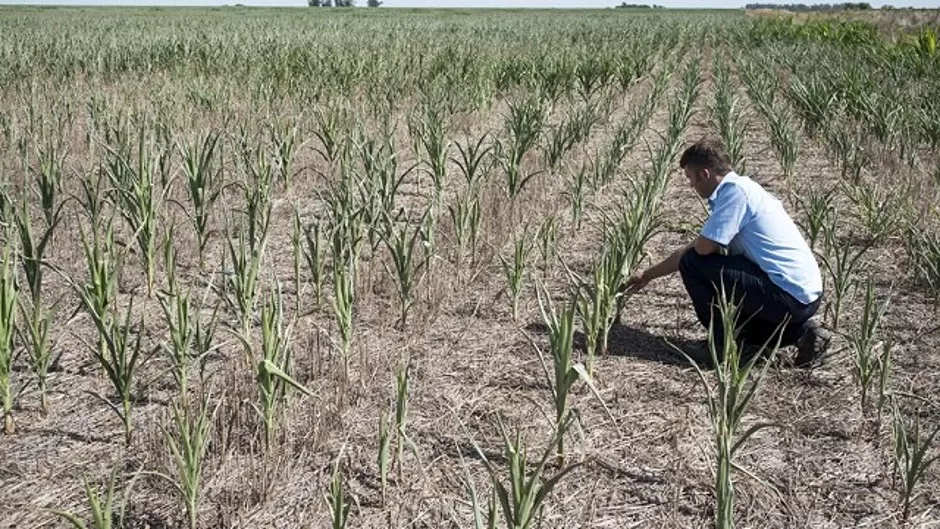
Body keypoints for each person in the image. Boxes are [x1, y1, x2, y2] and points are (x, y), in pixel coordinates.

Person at [623, 137, 831, 367]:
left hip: (786, 296)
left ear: (704, 173)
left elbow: (698, 251)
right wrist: (647, 275)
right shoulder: (746, 189)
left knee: (695, 263)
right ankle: (804, 333)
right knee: (741, 329)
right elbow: (695, 246)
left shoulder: (735, 194)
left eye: (690, 178)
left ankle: (721, 347)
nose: (691, 186)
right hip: (803, 297)